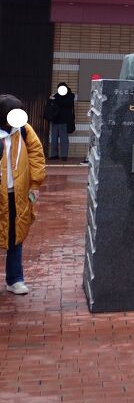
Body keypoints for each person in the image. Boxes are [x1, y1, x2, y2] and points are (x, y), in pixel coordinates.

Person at [0, 94, 46, 295]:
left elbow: (36, 154)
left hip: (16, 193)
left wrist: (35, 183)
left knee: (16, 236)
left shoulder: (24, 130)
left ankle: (15, 279)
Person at [46, 82, 76, 161]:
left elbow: (67, 103)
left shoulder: (70, 96)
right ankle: (54, 155)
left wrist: (55, 100)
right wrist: (51, 99)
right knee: (54, 139)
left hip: (65, 121)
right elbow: (51, 103)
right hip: (56, 120)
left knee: (63, 139)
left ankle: (64, 156)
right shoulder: (56, 96)